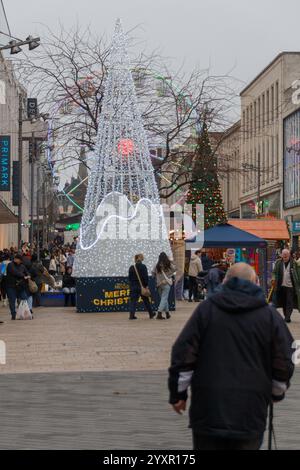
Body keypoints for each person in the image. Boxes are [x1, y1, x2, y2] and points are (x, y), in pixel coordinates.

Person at [168, 262, 294, 450]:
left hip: (208, 409)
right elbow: (284, 358)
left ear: (225, 280)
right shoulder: (269, 316)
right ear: (256, 282)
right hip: (250, 410)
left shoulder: (207, 310)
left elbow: (184, 353)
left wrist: (178, 394)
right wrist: (277, 390)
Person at [272, 248, 300, 323]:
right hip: (281, 286)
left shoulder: (294, 263)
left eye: (286, 256)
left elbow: (298, 274)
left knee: (289, 302)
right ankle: (286, 315)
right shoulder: (278, 263)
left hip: (290, 286)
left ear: (289, 255)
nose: (284, 257)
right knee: (284, 302)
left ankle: (287, 317)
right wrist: (273, 278)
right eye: (283, 255)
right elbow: (274, 272)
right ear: (281, 255)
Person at [128, 254, 155, 320]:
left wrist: (132, 285)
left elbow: (129, 278)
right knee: (146, 301)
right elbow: (145, 277)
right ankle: (151, 314)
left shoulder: (131, 267)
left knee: (133, 301)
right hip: (142, 286)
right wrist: (146, 286)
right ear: (140, 258)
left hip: (134, 286)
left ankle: (132, 315)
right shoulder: (143, 267)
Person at [152, 252, 176, 320]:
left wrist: (157, 277)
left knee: (163, 299)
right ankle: (159, 313)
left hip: (159, 284)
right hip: (166, 283)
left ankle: (167, 313)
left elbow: (153, 273)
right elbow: (175, 268)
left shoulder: (157, 265)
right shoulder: (169, 264)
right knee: (164, 299)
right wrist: (169, 274)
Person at [6, 254, 30, 320]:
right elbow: (15, 272)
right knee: (12, 301)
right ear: (16, 259)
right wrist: (23, 276)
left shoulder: (22, 266)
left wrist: (27, 275)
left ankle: (25, 314)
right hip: (11, 286)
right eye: (19, 260)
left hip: (20, 286)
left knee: (24, 298)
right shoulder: (10, 265)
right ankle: (13, 315)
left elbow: (27, 272)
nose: (20, 262)